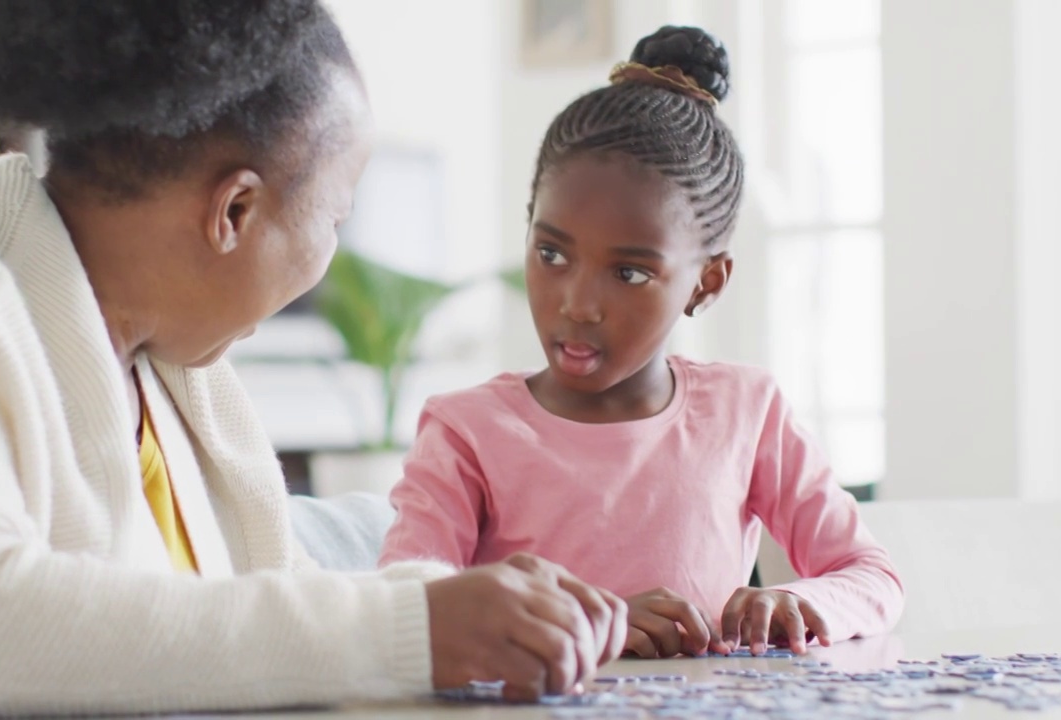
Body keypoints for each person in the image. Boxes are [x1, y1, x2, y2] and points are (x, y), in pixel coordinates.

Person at [0, 1, 634, 714]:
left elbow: (254, 617)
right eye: (334, 218)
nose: (332, 252)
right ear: (235, 213)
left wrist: (483, 603)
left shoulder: (180, 380)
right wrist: (412, 626)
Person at [380, 25, 904, 661]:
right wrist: (593, 621)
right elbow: (403, 611)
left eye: (628, 272)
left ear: (706, 283)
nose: (577, 303)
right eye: (551, 253)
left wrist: (802, 602)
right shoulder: (467, 431)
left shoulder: (747, 410)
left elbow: (872, 575)